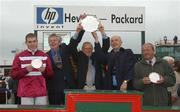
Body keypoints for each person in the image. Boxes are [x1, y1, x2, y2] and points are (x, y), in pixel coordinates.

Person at [46, 24, 85, 105]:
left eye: (55, 40)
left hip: (68, 86)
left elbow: (74, 42)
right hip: (53, 89)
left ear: (59, 41)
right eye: (50, 41)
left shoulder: (65, 49)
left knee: (70, 108)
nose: (52, 42)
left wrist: (78, 31)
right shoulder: (45, 56)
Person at [11, 33, 53, 105]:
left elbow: (50, 75)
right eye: (29, 42)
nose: (32, 44)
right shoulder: (19, 56)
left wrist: (44, 71)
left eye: (34, 41)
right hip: (25, 93)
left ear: (37, 41)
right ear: (26, 43)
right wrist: (26, 69)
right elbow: (13, 75)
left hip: (41, 93)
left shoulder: (45, 56)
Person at [73, 24, 110, 90]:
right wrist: (79, 31)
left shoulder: (96, 56)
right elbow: (72, 47)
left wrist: (98, 37)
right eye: (86, 48)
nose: (88, 50)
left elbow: (105, 48)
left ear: (93, 49)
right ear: (82, 49)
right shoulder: (79, 56)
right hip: (82, 88)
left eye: (90, 48)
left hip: (96, 88)